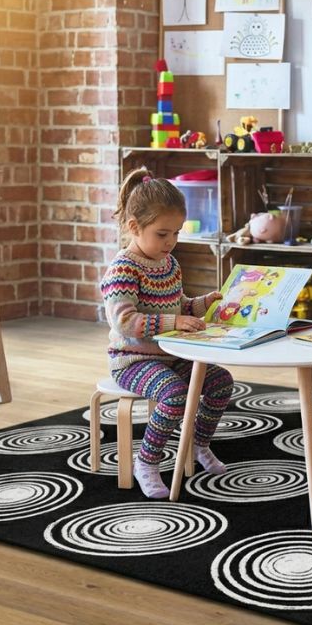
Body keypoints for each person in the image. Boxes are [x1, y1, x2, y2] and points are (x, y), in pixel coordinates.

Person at [100, 167, 233, 499]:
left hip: (171, 355)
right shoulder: (123, 269)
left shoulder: (169, 264)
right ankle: (146, 462)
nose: (171, 241)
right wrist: (174, 323)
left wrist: (203, 303)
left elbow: (178, 306)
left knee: (221, 382)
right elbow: (125, 321)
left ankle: (199, 444)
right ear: (134, 227)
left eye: (176, 232)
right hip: (132, 361)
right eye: (162, 234)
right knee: (174, 395)